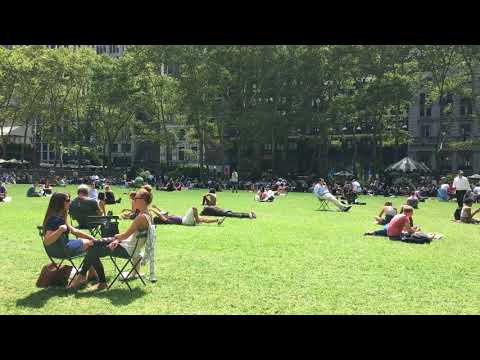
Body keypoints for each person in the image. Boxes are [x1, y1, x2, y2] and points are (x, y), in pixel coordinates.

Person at [69, 188, 156, 290]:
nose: (133, 200)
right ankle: (89, 277)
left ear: (142, 200)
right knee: (93, 245)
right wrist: (117, 239)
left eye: (135, 198)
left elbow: (124, 236)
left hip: (127, 250)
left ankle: (90, 278)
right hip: (131, 247)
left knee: (91, 249)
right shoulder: (149, 215)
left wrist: (116, 237)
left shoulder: (141, 217)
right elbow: (126, 237)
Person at [42, 192, 98, 283]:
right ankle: (85, 275)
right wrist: (60, 230)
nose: (70, 202)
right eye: (68, 200)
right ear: (60, 203)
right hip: (64, 250)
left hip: (56, 250)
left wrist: (91, 237)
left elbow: (74, 231)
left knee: (90, 241)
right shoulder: (56, 219)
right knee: (92, 245)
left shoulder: (56, 216)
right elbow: (47, 241)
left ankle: (92, 273)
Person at [151, 206, 225, 226]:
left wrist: (156, 207)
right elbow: (161, 216)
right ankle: (198, 220)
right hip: (185, 221)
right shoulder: (167, 220)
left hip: (186, 219)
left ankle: (218, 220)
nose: (165, 214)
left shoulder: (166, 216)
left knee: (203, 219)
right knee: (194, 208)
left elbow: (162, 212)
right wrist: (153, 210)